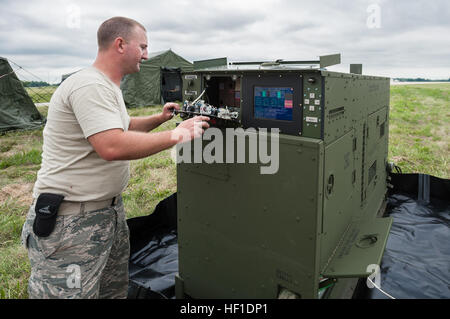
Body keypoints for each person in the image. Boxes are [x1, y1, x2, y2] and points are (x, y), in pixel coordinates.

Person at [20, 16, 209, 299]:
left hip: (104, 215)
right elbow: (111, 145)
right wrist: (177, 135)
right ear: (120, 44)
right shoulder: (89, 85)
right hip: (72, 222)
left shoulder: (107, 86)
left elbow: (124, 126)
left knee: (112, 292)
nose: (146, 55)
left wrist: (159, 119)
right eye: (142, 47)